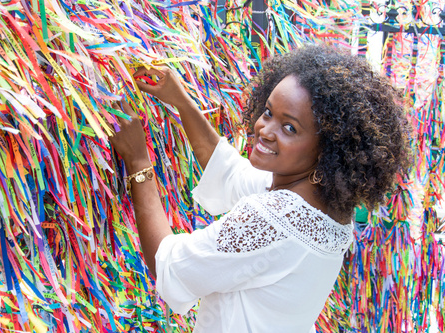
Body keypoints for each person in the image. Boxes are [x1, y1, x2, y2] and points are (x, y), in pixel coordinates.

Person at [108, 44, 411, 332]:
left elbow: (169, 265)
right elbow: (230, 172)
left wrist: (138, 161)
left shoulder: (273, 217)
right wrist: (181, 101)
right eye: (268, 112)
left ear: (328, 149)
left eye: (289, 127)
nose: (264, 130)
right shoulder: (322, 203)